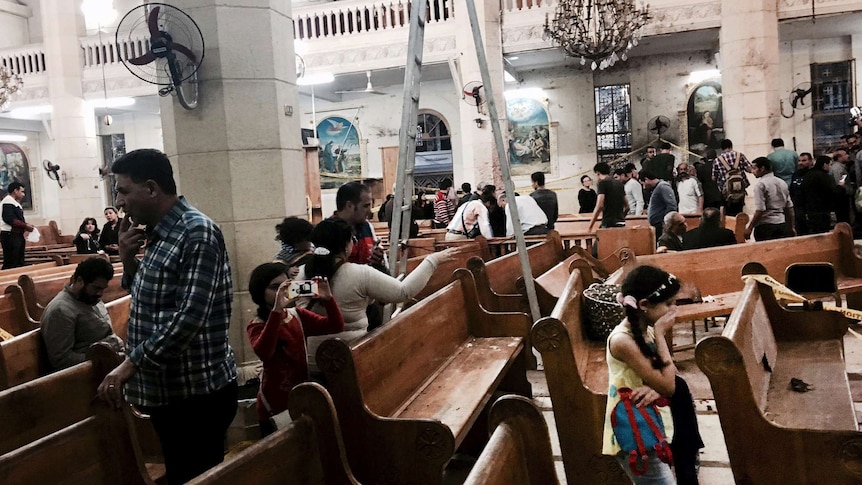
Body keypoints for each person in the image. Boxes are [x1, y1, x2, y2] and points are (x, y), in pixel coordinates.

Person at [96, 149, 238, 485]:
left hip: (196, 395)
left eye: (123, 190)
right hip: (171, 391)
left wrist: (130, 363)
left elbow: (189, 316)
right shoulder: (159, 232)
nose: (120, 201)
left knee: (195, 476)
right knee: (181, 473)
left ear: (150, 188)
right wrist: (129, 260)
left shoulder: (196, 232)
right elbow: (155, 295)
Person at [298, 218, 456, 375]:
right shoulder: (359, 274)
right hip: (352, 359)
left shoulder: (300, 274)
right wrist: (433, 260)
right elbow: (403, 292)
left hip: (313, 362)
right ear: (346, 246)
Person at [603, 265, 703, 484]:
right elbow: (669, 386)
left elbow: (670, 375)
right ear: (644, 305)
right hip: (635, 431)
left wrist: (653, 385)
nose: (674, 309)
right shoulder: (623, 341)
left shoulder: (643, 329)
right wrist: (660, 334)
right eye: (668, 304)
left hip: (651, 421)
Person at [246, 263, 344, 437]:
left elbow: (335, 325)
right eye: (275, 288)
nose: (282, 292)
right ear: (260, 292)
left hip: (300, 398)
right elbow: (264, 352)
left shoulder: (297, 314)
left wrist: (328, 299)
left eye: (286, 286)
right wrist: (277, 309)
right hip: (273, 406)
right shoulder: (257, 325)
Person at [40, 257, 123, 370]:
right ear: (79, 280)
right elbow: (61, 360)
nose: (100, 293)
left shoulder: (91, 298)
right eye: (96, 288)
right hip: (90, 375)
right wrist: (103, 360)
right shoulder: (60, 310)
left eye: (103, 289)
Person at [746, 157, 795, 241]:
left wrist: (750, 228)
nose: (752, 171)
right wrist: (792, 227)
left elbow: (760, 210)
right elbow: (790, 208)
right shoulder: (782, 182)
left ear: (762, 168)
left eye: (754, 168)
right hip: (781, 224)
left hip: (765, 226)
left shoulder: (760, 185)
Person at [801, 155, 843, 234]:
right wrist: (840, 187)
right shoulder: (824, 176)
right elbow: (832, 192)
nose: (830, 167)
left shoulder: (808, 174)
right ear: (824, 165)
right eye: (829, 165)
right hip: (822, 210)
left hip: (810, 210)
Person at [712, 139, 752, 216]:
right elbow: (749, 170)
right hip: (740, 190)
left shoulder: (717, 160)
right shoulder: (740, 156)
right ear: (731, 146)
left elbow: (714, 178)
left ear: (722, 148)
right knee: (739, 212)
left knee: (728, 214)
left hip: (726, 192)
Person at [1, 181, 33, 269]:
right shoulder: (7, 201)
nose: (23, 195)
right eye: (22, 192)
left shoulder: (13, 202)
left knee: (19, 262)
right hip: (10, 235)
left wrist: (26, 225)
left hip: (16, 235)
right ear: (15, 191)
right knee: (12, 262)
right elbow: (9, 219)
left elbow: (17, 219)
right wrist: (25, 226)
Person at [587, 163, 627, 232]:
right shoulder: (619, 184)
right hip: (621, 223)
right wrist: (621, 217)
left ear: (597, 173)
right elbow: (627, 206)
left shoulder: (602, 183)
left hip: (609, 223)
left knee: (600, 242)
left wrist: (590, 227)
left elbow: (599, 205)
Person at [642, 170, 678, 240]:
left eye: (643, 183)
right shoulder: (657, 188)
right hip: (657, 224)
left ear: (646, 179)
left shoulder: (663, 186)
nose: (644, 187)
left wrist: (666, 223)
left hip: (662, 224)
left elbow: (672, 205)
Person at [789, 152, 813, 235]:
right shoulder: (796, 174)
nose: (801, 163)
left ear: (810, 161)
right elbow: (791, 190)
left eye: (804, 160)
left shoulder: (813, 174)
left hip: (810, 209)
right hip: (798, 209)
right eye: (799, 161)